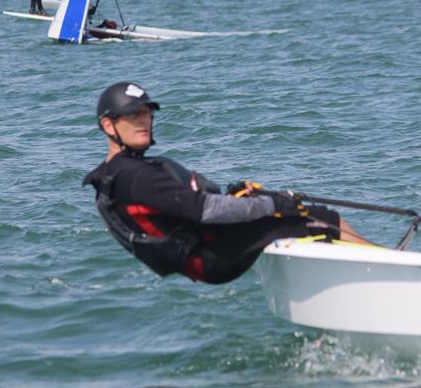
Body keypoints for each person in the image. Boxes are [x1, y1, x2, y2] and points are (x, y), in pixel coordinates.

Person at [83, 82, 369, 284]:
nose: (144, 120)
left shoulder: (113, 174)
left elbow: (181, 209)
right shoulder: (136, 176)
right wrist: (272, 204)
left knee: (292, 217)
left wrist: (240, 200)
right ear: (109, 125)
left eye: (147, 112)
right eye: (133, 114)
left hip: (199, 253)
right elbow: (206, 210)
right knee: (321, 217)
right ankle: (393, 269)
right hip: (210, 257)